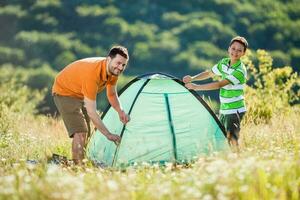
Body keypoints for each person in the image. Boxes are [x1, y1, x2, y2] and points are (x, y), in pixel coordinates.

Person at [52, 45, 130, 164]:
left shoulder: (113, 72)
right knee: (80, 131)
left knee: (86, 132)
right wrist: (108, 134)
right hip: (64, 92)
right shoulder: (92, 74)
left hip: (79, 93)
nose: (120, 67)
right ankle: (78, 167)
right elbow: (92, 113)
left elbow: (112, 95)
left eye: (123, 65)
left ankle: (80, 162)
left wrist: (120, 111)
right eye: (118, 63)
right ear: (108, 59)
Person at [183, 36, 248, 149]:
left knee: (232, 141)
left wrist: (195, 87)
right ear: (228, 49)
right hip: (224, 108)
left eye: (239, 50)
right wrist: (192, 78)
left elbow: (218, 84)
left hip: (235, 110)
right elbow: (209, 73)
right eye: (233, 48)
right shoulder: (223, 63)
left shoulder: (240, 71)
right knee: (221, 138)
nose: (235, 52)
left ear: (243, 53)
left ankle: (237, 162)